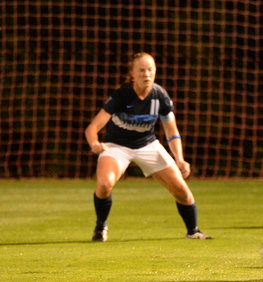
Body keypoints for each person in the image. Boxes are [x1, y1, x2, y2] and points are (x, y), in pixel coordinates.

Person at [84, 52, 211, 241]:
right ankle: (100, 227)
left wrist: (180, 159)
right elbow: (92, 128)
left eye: (150, 70)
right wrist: (94, 143)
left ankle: (193, 231)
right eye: (142, 70)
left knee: (182, 190)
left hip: (147, 145)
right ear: (132, 73)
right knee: (104, 184)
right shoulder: (122, 95)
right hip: (117, 146)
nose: (147, 74)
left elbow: (172, 132)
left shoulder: (160, 96)